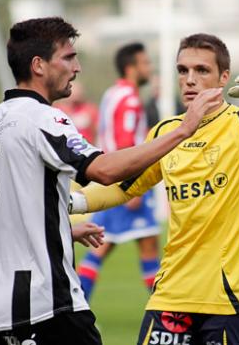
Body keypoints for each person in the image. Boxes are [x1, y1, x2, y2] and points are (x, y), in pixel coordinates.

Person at [0, 17, 221, 345]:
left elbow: (0, 210)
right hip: (46, 309)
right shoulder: (43, 119)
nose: (77, 67)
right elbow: (105, 170)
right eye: (68, 57)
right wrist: (184, 129)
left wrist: (60, 229)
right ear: (39, 66)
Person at [69, 33, 239, 344]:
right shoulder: (167, 132)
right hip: (170, 296)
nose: (190, 80)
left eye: (202, 70)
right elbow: (122, 188)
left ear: (224, 77)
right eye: (183, 71)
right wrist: (66, 203)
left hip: (229, 300)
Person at [76, 42, 161, 300]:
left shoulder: (112, 93)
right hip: (126, 182)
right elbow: (125, 143)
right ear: (131, 67)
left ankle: (75, 306)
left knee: (108, 245)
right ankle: (168, 314)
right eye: (145, 63)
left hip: (110, 180)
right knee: (142, 246)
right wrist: (133, 187)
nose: (150, 68)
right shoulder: (131, 100)